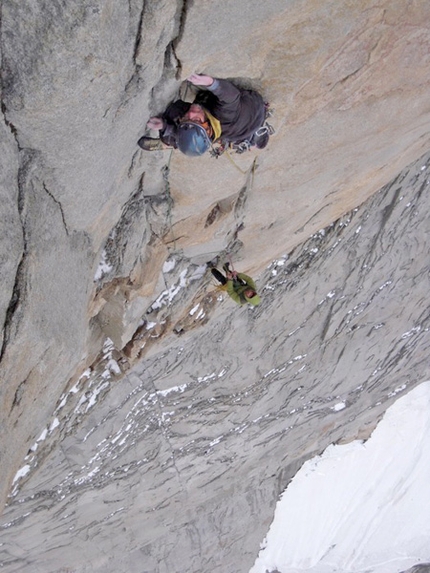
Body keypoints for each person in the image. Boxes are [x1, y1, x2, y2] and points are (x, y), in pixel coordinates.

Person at [138, 73, 272, 157]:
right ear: (208, 129)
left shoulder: (206, 131)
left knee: (177, 124)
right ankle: (253, 141)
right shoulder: (225, 115)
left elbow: (186, 131)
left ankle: (170, 143)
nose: (190, 113)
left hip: (239, 125)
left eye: (186, 119)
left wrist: (165, 126)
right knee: (252, 142)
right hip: (254, 109)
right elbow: (231, 97)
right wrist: (211, 83)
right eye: (196, 119)